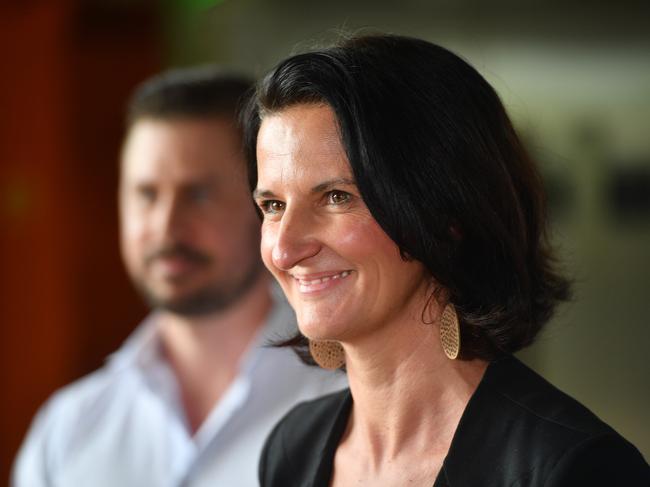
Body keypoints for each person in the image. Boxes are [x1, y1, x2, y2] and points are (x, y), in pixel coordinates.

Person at [242, 35, 650, 486]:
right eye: (273, 206)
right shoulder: (292, 447)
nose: (284, 249)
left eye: (337, 197)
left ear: (447, 214)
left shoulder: (574, 468)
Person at [13, 66, 345, 487]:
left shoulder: (347, 399)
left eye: (199, 194)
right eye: (146, 194)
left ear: (265, 205)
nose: (167, 227)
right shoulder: (68, 428)